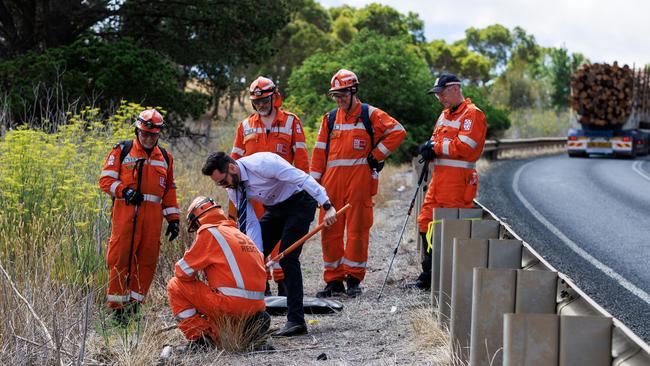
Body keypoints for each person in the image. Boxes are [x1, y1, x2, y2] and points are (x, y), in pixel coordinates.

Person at [202, 151, 337, 337]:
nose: (223, 186)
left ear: (232, 168)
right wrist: (255, 254)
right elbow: (250, 222)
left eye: (223, 181)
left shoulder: (264, 163)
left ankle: (296, 321)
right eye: (219, 184)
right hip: (275, 210)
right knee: (247, 256)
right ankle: (251, 319)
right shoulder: (233, 188)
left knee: (288, 258)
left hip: (300, 202)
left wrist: (327, 205)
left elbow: (302, 178)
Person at [310, 69, 406, 298]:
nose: (339, 100)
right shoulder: (330, 118)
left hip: (359, 180)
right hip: (331, 183)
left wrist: (376, 155)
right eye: (335, 96)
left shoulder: (369, 114)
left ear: (354, 91)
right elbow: (319, 152)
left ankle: (353, 278)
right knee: (329, 230)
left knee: (357, 230)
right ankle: (333, 281)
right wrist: (314, 186)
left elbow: (397, 131)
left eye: (342, 95)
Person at [99, 108, 180, 323]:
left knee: (146, 263)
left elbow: (169, 190)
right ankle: (117, 311)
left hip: (152, 222)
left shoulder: (165, 158)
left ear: (159, 134)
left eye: (153, 135)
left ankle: (134, 308)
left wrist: (173, 219)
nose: (148, 138)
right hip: (125, 218)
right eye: (144, 133)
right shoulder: (122, 150)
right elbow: (105, 181)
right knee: (119, 260)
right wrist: (123, 191)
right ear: (137, 131)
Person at [407, 73, 487, 290]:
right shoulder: (444, 115)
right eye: (437, 95)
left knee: (451, 228)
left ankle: (448, 279)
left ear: (454, 89)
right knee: (425, 221)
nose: (439, 98)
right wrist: (427, 146)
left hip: (458, 183)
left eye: (441, 93)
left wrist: (435, 148)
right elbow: (437, 139)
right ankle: (429, 275)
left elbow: (466, 146)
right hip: (439, 180)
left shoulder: (472, 115)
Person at [230, 76, 310, 295]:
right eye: (257, 102)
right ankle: (260, 286)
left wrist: (304, 190)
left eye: (265, 100)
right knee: (254, 241)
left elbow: (302, 159)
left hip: (284, 195)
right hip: (255, 194)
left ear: (274, 97)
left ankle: (284, 286)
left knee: (283, 241)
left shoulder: (291, 122)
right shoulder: (245, 126)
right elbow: (233, 161)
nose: (261, 106)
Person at [166, 196, 270, 351]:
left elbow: (182, 272)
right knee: (225, 332)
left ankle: (200, 339)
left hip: (231, 305)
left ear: (198, 219)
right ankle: (246, 327)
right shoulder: (238, 233)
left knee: (175, 284)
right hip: (258, 305)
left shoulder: (209, 233)